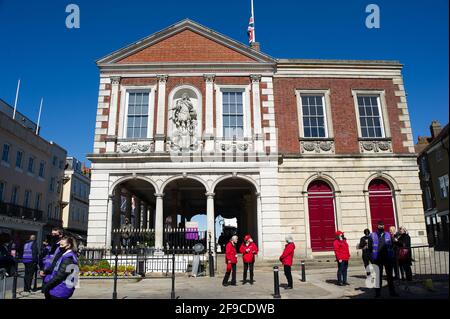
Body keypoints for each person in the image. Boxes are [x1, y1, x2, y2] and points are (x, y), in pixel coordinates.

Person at [368, 221, 399, 298]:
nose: (381, 226)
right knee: (378, 277)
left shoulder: (388, 235)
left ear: (384, 226)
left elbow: (393, 245)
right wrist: (372, 259)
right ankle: (378, 293)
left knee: (390, 276)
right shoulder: (372, 235)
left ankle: (392, 292)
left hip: (387, 258)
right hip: (377, 259)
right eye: (380, 225)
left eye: (382, 225)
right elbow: (369, 248)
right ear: (377, 226)